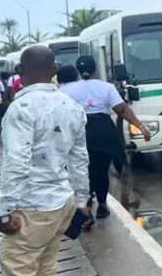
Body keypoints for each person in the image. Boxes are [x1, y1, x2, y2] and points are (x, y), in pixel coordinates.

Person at [0, 45, 109, 276]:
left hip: (31, 207)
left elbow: (15, 164)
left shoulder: (21, 108)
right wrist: (83, 201)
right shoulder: (71, 106)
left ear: (20, 70)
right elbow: (79, 159)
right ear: (56, 69)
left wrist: (5, 210)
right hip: (62, 202)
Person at [60, 55, 150, 219]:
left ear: (79, 71)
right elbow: (122, 110)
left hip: (80, 133)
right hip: (103, 132)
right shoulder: (106, 87)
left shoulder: (65, 90)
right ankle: (102, 205)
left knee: (82, 171)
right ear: (95, 70)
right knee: (101, 170)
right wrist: (141, 127)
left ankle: (85, 206)